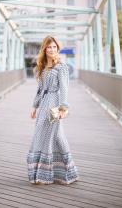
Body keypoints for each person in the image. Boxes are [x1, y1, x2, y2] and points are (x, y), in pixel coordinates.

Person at [27, 36, 79, 185]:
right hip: (44, 105)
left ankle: (43, 175)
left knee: (47, 136)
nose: (51, 49)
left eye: (54, 47)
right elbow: (40, 89)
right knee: (56, 136)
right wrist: (34, 106)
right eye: (49, 47)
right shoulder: (42, 67)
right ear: (44, 48)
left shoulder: (62, 67)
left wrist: (64, 108)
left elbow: (64, 89)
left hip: (55, 106)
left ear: (57, 48)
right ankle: (68, 172)